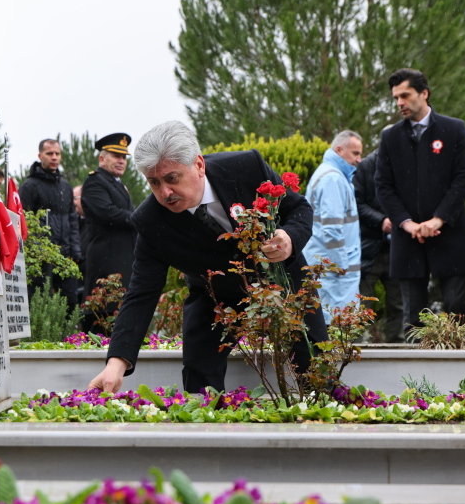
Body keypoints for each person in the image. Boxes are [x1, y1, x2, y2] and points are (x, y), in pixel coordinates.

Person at [87, 120, 327, 393]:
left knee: (315, 365)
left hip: (283, 281)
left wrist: (289, 238)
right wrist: (116, 364)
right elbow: (141, 293)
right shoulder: (151, 221)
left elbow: (299, 209)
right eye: (154, 182)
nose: (164, 192)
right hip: (215, 296)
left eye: (172, 179)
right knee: (199, 375)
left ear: (199, 165)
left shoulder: (245, 167)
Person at [375, 68, 465, 331]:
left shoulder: (454, 129)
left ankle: (459, 368)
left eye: (405, 95)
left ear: (424, 93)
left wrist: (438, 219)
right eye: (396, 97)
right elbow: (383, 186)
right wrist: (407, 223)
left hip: (449, 233)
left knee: (456, 310)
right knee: (413, 320)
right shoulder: (390, 137)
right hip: (408, 237)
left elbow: (463, 179)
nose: (399, 103)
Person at [302, 130, 363, 321]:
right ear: (339, 150)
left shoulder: (332, 174)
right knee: (335, 326)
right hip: (334, 271)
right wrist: (340, 265)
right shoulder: (333, 179)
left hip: (329, 266)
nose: (359, 159)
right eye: (355, 153)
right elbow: (332, 228)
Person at [19, 139, 82, 307]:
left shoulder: (65, 186)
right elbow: (23, 221)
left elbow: (72, 220)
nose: (54, 157)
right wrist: (37, 251)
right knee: (40, 301)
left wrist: (75, 252)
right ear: (40, 156)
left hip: (65, 255)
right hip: (41, 256)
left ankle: (70, 334)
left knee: (70, 303)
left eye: (57, 153)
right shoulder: (29, 186)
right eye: (49, 153)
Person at [353, 148, 404, 342]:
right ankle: (358, 348)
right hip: (368, 247)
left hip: (397, 249)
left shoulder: (407, 165)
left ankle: (397, 347)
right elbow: (356, 203)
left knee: (398, 304)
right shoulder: (366, 166)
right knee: (363, 303)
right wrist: (381, 221)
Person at [81, 133, 137, 302]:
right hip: (107, 259)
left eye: (124, 157)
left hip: (121, 257)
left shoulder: (116, 183)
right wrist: (140, 219)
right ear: (102, 159)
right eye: (116, 156)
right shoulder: (95, 182)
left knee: (118, 309)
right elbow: (108, 213)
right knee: (105, 310)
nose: (121, 161)